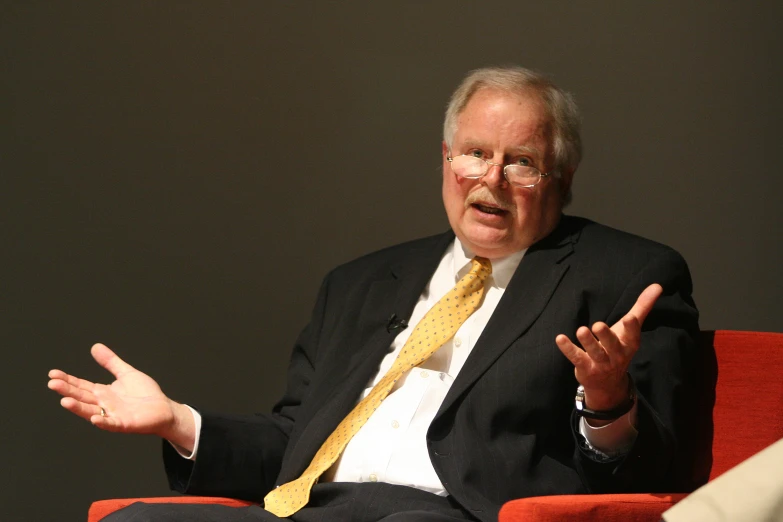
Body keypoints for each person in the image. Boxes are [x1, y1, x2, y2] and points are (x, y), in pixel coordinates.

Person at [48, 66, 715, 522]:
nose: (492, 178)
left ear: (561, 179)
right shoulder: (362, 282)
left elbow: (656, 471)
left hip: (447, 514)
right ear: (445, 159)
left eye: (521, 162)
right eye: (473, 153)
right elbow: (294, 439)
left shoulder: (625, 276)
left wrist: (606, 402)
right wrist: (177, 421)